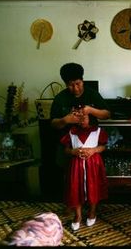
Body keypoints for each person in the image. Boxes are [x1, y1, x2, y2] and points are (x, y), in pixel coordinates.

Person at [49, 62, 110, 200]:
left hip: (91, 143)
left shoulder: (92, 94)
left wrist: (90, 110)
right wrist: (66, 120)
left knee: (92, 175)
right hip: (68, 144)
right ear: (65, 84)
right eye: (71, 85)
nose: (75, 88)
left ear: (82, 80)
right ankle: (71, 204)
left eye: (78, 83)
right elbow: (52, 124)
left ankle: (92, 204)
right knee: (69, 176)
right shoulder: (60, 98)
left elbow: (107, 114)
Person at [60, 113, 108, 231]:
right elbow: (66, 149)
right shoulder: (72, 132)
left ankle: (92, 212)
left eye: (84, 118)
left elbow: (103, 146)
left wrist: (93, 150)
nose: (81, 121)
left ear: (90, 118)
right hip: (76, 164)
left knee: (93, 187)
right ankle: (78, 215)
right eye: (79, 118)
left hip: (93, 164)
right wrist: (73, 152)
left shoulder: (97, 131)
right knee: (75, 188)